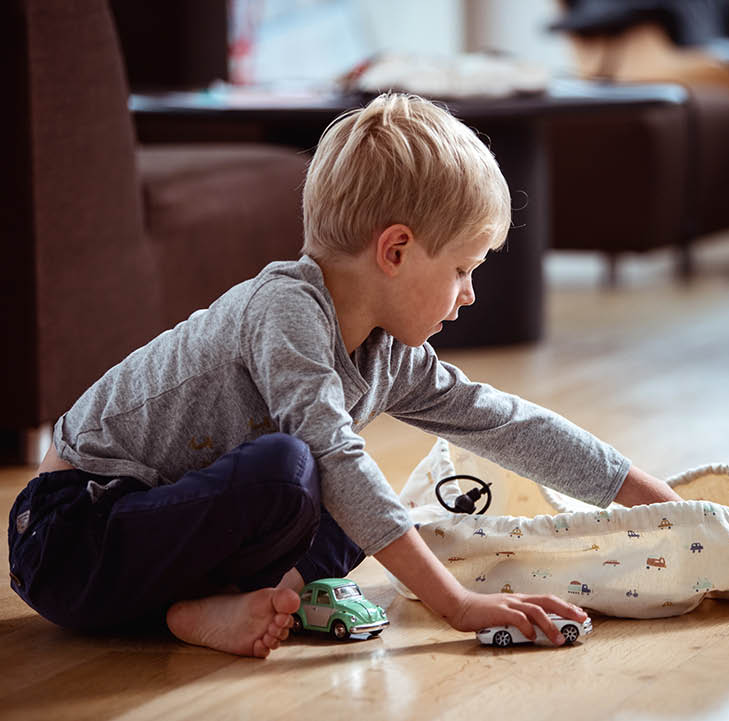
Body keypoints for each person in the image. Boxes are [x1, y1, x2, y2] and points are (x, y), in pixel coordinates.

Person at [7, 93, 682, 659]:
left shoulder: (388, 354)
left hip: (169, 541)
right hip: (72, 537)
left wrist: (665, 510)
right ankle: (193, 607)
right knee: (300, 467)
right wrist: (457, 603)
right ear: (396, 250)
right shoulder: (285, 309)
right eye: (461, 270)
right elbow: (331, 457)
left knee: (357, 506)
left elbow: (506, 424)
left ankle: (224, 605)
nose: (469, 294)